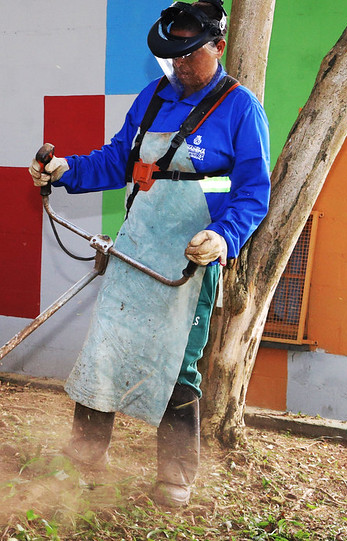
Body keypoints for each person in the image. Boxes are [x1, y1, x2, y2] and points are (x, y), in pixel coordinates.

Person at [29, 0, 270, 507]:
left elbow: (253, 191)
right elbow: (120, 157)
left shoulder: (241, 108)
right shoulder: (153, 97)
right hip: (137, 246)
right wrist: (67, 170)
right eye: (172, 57)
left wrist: (224, 236)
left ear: (217, 48)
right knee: (105, 347)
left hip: (192, 257)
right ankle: (86, 451)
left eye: (189, 55)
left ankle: (175, 474)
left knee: (179, 362)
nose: (179, 66)